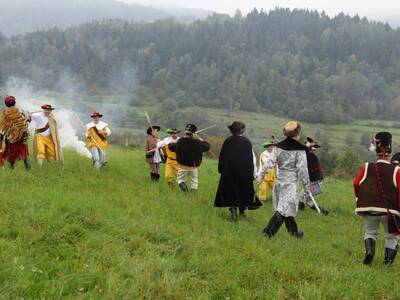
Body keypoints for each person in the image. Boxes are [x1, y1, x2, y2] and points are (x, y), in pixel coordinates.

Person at [353, 132, 400, 266]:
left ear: (377, 151)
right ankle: (387, 263)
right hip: (390, 212)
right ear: (390, 151)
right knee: (391, 236)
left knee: (370, 232)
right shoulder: (397, 170)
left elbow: (356, 183)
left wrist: (359, 199)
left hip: (370, 208)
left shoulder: (367, 167)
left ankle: (369, 253)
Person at [257, 121, 310, 238]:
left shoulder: (278, 147)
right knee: (283, 210)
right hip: (290, 184)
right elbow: (303, 171)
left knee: (287, 208)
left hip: (279, 182)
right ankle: (267, 233)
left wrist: (260, 175)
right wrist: (307, 188)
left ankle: (295, 233)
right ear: (297, 134)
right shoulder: (300, 150)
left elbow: (268, 163)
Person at [214, 121, 261, 221]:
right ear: (242, 130)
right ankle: (242, 212)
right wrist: (252, 173)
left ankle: (234, 211)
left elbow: (222, 156)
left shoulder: (228, 141)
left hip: (229, 172)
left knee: (231, 191)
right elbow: (250, 160)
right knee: (242, 191)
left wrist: (221, 169)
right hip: (243, 172)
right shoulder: (246, 142)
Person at [169, 124, 210, 193]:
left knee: (180, 180)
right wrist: (200, 139)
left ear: (186, 132)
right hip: (194, 166)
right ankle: (193, 196)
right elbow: (207, 146)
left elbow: (171, 147)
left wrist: (179, 140)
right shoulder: (198, 143)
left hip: (183, 166)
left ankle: (186, 193)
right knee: (194, 182)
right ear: (194, 133)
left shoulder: (181, 141)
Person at [299, 137, 329, 215]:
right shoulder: (308, 155)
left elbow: (307, 171)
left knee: (303, 196)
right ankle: (323, 211)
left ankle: (300, 210)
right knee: (307, 199)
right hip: (314, 182)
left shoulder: (311, 157)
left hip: (316, 183)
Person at [0, 96, 30, 170]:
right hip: (22, 136)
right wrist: (29, 116)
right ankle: (28, 168)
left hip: (11, 138)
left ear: (6, 104)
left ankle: (12, 169)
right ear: (15, 102)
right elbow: (27, 121)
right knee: (24, 151)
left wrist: (2, 137)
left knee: (11, 152)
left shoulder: (4, 114)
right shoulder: (20, 110)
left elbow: (2, 127)